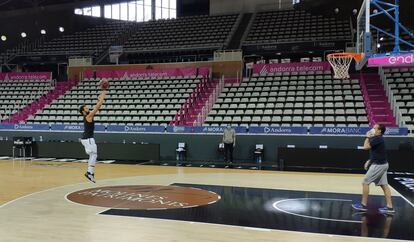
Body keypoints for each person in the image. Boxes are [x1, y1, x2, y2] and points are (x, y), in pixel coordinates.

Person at [352, 124, 395, 214]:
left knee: (365, 182)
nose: (372, 129)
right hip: (383, 164)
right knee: (384, 185)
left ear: (379, 131)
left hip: (379, 165)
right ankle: (390, 207)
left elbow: (365, 147)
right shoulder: (378, 139)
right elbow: (378, 153)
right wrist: (370, 160)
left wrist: (367, 137)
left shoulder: (377, 138)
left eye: (375, 128)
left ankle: (363, 205)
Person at [79, 89, 107, 183]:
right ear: (83, 111)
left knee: (92, 155)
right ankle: (89, 173)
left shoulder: (87, 116)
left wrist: (98, 100)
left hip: (85, 139)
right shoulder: (88, 116)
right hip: (88, 139)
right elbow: (97, 107)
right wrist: (101, 98)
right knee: (94, 155)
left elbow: (95, 107)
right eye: (86, 108)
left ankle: (90, 173)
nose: (88, 109)